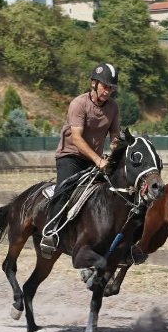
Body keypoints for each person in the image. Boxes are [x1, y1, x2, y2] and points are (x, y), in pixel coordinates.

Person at [39, 63, 121, 257]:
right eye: (105, 86)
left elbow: (115, 136)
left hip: (95, 160)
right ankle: (50, 233)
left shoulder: (113, 108)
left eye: (111, 88)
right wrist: (98, 160)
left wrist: (116, 150)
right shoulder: (79, 104)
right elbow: (77, 138)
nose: (108, 91)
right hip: (71, 156)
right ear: (94, 83)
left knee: (113, 192)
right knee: (65, 190)